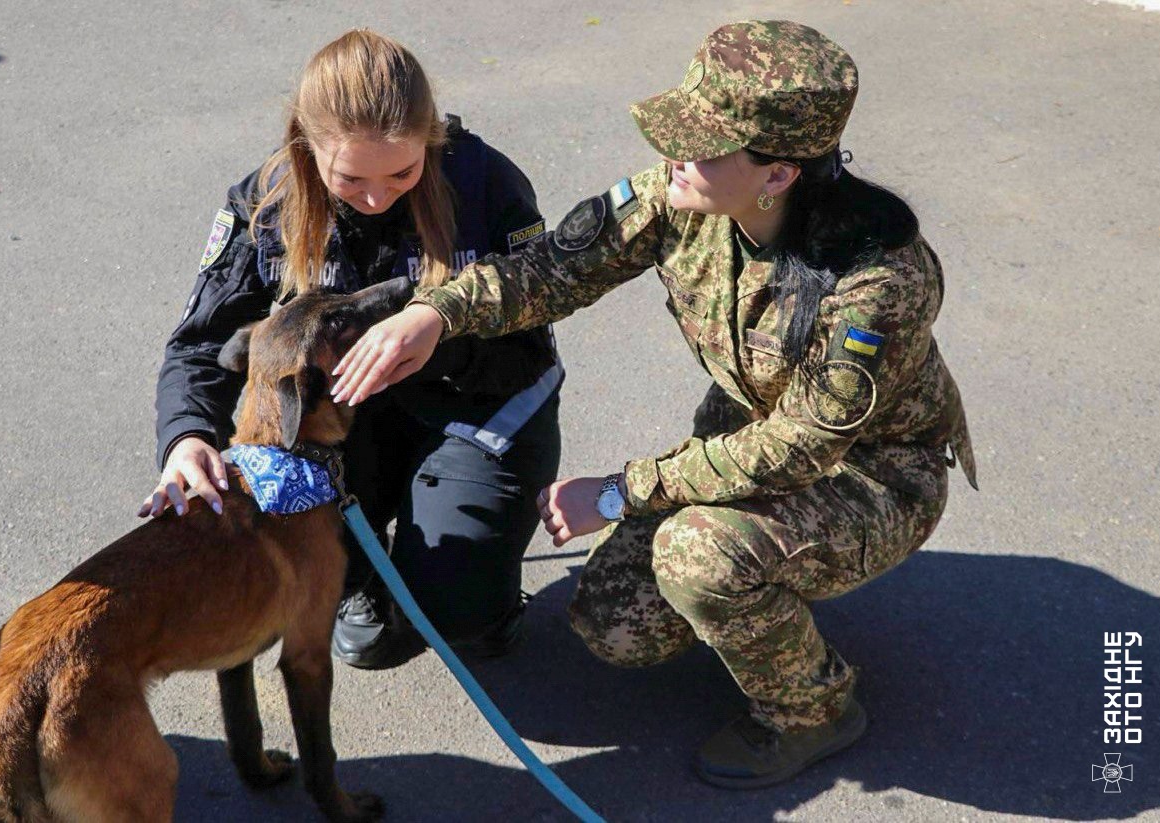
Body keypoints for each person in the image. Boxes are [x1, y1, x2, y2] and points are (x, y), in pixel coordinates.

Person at [329, 20, 978, 788]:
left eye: (702, 144)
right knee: (615, 626)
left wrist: (619, 492)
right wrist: (435, 313)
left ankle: (813, 709)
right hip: (745, 437)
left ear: (777, 175)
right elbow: (550, 270)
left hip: (871, 475)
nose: (674, 153)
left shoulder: (879, 281)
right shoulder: (683, 196)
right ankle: (758, 600)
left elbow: (802, 447)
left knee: (697, 558)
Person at [141, 29, 563, 669]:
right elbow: (201, 343)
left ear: (430, 139)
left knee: (457, 610)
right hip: (344, 418)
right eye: (350, 178)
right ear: (309, 151)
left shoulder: (487, 184)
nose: (376, 196)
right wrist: (186, 437)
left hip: (473, 402)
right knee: (305, 568)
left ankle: (481, 598)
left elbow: (529, 353)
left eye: (402, 171)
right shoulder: (267, 199)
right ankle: (365, 577)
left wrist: (437, 344)